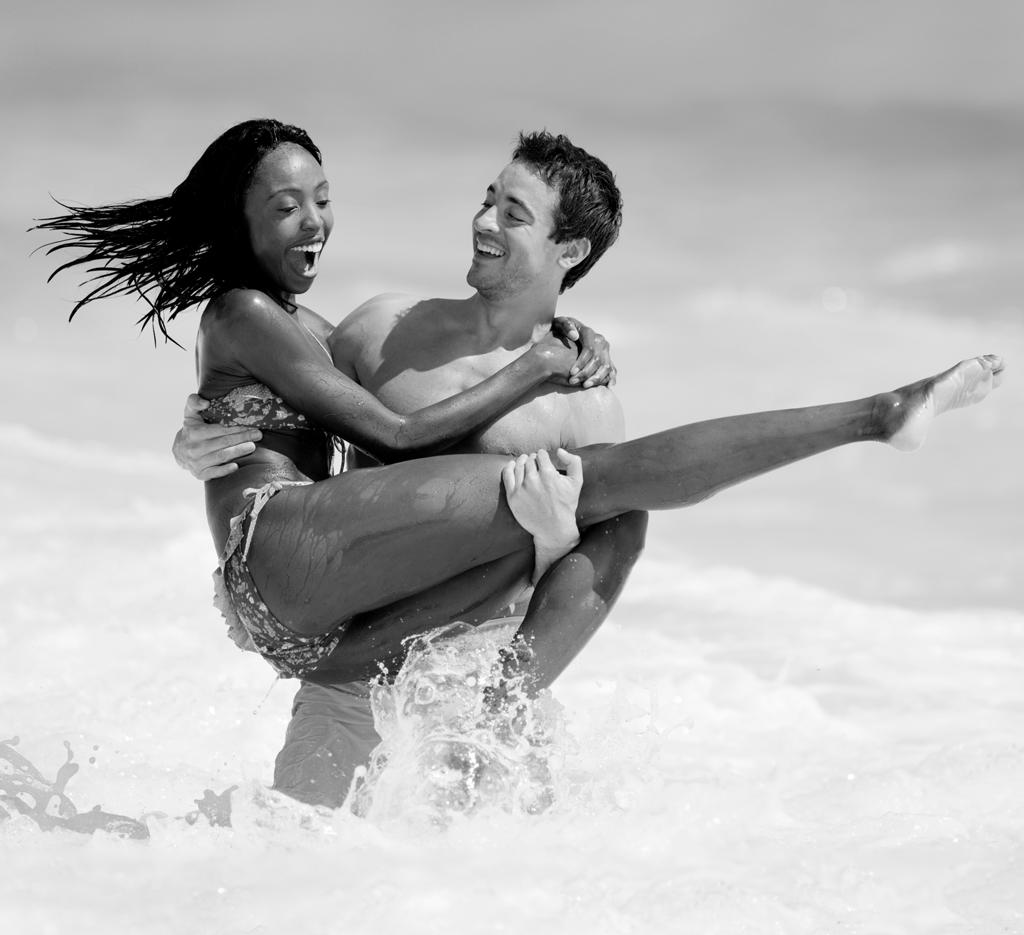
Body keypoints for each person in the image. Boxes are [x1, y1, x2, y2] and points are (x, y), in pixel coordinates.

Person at [41, 119, 1004, 812]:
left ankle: (502, 719)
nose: (485, 222)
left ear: (568, 249)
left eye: (514, 211)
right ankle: (877, 414)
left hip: (425, 665)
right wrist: (189, 437)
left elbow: (557, 564)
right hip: (322, 642)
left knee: (366, 909)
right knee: (294, 885)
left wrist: (550, 534)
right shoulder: (383, 331)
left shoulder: (583, 405)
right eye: (487, 199)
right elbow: (287, 410)